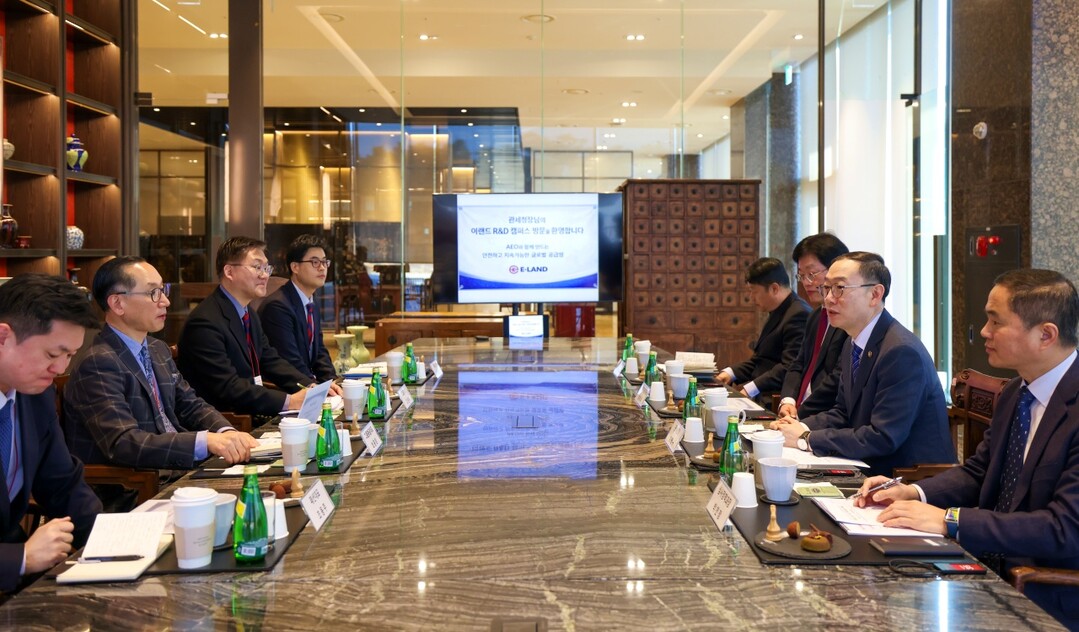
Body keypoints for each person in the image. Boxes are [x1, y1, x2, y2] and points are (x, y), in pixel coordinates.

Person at [854, 269, 1079, 627]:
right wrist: (912, 491)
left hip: (1044, 591)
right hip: (982, 564)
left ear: (1046, 334)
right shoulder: (1016, 392)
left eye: (996, 321)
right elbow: (979, 471)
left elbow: (1064, 529)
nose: (984, 331)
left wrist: (951, 521)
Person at [63, 257, 259, 511]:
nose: (165, 301)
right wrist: (203, 442)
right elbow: (124, 443)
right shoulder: (99, 363)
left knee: (260, 492)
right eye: (153, 293)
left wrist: (225, 433)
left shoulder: (157, 349)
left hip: (179, 472)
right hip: (136, 489)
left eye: (163, 290)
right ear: (118, 303)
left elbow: (190, 404)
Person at [772, 252, 955, 476]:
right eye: (827, 288)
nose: (828, 298)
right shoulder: (853, 343)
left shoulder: (901, 352)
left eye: (839, 288)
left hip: (907, 478)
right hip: (869, 464)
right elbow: (842, 412)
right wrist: (798, 427)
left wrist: (806, 438)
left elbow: (883, 437)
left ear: (875, 294)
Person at [0, 274, 102, 592]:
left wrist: (112, 539)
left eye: (70, 355)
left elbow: (62, 485)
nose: (60, 369)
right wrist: (21, 558)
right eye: (51, 355)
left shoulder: (35, 393)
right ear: (3, 337)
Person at [178, 237, 324, 417]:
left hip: (252, 411)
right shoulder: (204, 322)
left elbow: (270, 360)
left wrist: (310, 386)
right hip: (229, 422)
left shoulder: (248, 313)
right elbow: (228, 387)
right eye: (257, 267)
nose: (265, 275)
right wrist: (290, 401)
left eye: (266, 268)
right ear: (229, 271)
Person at [715, 257, 810, 404]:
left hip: (776, 399)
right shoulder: (779, 310)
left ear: (774, 288)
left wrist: (750, 388)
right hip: (764, 394)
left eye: (754, 291)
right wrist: (730, 373)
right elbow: (761, 360)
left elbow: (790, 366)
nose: (751, 297)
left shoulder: (798, 314)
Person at [777, 233, 850, 419]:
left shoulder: (850, 320)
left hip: (823, 418)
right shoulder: (815, 316)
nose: (806, 283)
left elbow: (837, 379)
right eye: (802, 275)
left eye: (811, 274)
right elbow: (798, 363)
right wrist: (788, 401)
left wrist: (799, 414)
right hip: (797, 413)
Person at [258, 235, 336, 383]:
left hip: (307, 383)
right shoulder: (277, 307)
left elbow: (319, 352)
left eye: (324, 262)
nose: (322, 267)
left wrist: (332, 382)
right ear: (295, 267)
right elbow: (290, 361)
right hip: (287, 387)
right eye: (314, 262)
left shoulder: (311, 302)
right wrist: (317, 388)